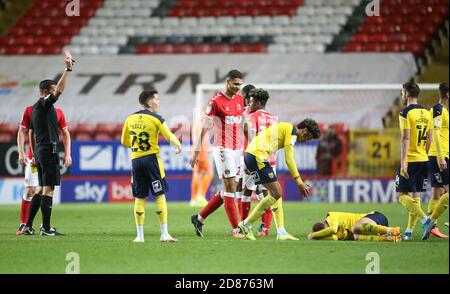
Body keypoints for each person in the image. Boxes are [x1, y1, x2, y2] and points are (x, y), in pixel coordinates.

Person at [238, 119, 321, 240]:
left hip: (253, 155)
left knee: (276, 193)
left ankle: (281, 232)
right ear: (304, 130)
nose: (306, 141)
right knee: (277, 193)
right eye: (308, 138)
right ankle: (246, 224)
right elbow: (289, 159)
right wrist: (299, 182)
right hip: (257, 156)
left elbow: (260, 137)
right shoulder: (292, 132)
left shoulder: (285, 127)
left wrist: (248, 162)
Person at [21, 55, 74, 236]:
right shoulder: (44, 105)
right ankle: (46, 228)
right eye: (52, 91)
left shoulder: (35, 109)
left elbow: (31, 132)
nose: (55, 93)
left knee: (40, 189)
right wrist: (67, 70)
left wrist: (35, 151)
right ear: (45, 91)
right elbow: (59, 90)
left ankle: (28, 225)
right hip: (49, 150)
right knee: (49, 189)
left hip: (40, 151)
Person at [190, 70, 245, 238]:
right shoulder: (215, 102)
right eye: (235, 84)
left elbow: (243, 123)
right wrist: (197, 150)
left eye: (239, 84)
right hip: (222, 149)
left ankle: (198, 218)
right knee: (230, 188)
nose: (237, 87)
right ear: (227, 82)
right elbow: (205, 127)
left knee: (230, 188)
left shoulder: (240, 100)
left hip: (237, 150)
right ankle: (236, 229)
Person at [121, 90, 181, 243]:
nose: (159, 102)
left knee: (139, 197)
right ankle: (164, 234)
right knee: (159, 195)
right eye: (157, 99)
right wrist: (177, 145)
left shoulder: (130, 118)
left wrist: (137, 148)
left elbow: (124, 141)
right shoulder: (156, 119)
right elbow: (169, 136)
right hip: (151, 161)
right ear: (149, 102)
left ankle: (139, 236)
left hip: (136, 161)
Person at [241, 88, 294, 240]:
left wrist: (247, 161)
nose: (248, 104)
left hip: (255, 158)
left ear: (257, 102)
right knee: (271, 194)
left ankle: (243, 226)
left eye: (250, 102)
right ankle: (267, 227)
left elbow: (252, 140)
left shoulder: (250, 117)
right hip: (271, 160)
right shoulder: (274, 119)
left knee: (246, 191)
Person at [16, 105, 71, 235]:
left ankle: (40, 226)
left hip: (46, 154)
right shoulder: (31, 110)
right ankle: (24, 224)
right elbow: (24, 131)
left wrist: (68, 153)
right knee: (32, 190)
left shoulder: (58, 112)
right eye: (53, 91)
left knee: (42, 189)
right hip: (35, 156)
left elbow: (65, 132)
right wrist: (22, 152)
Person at [396, 82, 434, 241]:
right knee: (415, 196)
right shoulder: (427, 112)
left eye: (402, 92)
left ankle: (426, 220)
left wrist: (404, 161)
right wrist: (423, 155)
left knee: (400, 195)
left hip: (410, 159)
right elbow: (430, 139)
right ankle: (409, 231)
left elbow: (405, 138)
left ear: (406, 93)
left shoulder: (405, 112)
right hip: (423, 158)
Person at [426, 82, 449, 238]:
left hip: (441, 155)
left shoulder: (445, 111)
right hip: (439, 156)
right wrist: (441, 156)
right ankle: (430, 221)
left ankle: (430, 226)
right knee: (442, 191)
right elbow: (434, 133)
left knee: (437, 193)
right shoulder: (438, 109)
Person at [307, 211, 401, 242]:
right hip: (374, 228)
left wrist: (313, 235)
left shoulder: (331, 216)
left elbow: (333, 229)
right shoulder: (337, 234)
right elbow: (333, 237)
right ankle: (389, 238)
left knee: (354, 229)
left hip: (376, 217)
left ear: (323, 221)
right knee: (355, 236)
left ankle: (391, 230)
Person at [236, 84, 255, 218]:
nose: (241, 96)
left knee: (257, 189)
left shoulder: (248, 112)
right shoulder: (241, 110)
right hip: (241, 152)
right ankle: (241, 222)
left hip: (245, 153)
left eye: (243, 94)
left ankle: (263, 226)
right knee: (239, 187)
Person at [190, 111, 213, 207]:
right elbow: (200, 140)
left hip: (196, 150)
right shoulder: (201, 125)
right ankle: (200, 196)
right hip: (200, 150)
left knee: (197, 174)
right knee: (209, 173)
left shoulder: (196, 125)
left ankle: (194, 199)